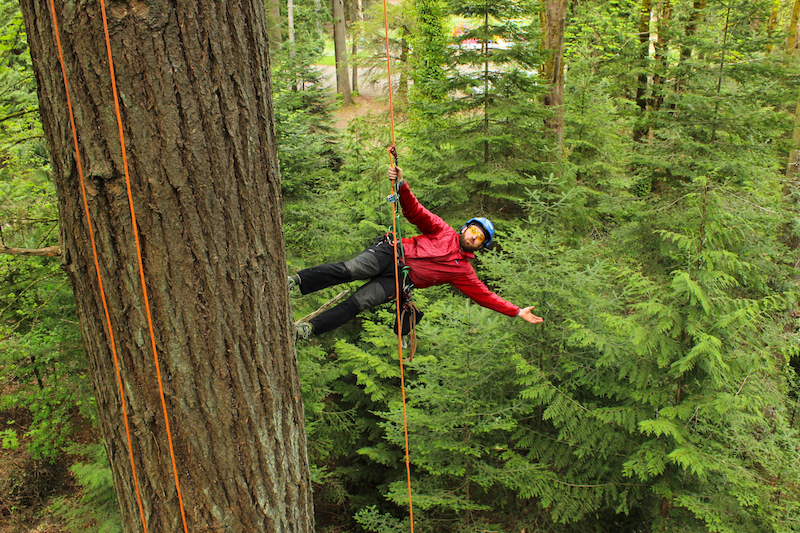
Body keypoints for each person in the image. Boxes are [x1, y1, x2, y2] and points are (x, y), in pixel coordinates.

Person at [291, 166, 543, 339]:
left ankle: (307, 330)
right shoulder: (443, 230)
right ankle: (296, 282)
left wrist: (517, 311)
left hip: (400, 281)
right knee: (349, 270)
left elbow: (485, 296)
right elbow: (416, 212)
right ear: (465, 228)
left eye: (479, 239)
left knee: (356, 304)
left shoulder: (463, 272)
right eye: (473, 232)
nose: (474, 238)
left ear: (480, 247)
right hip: (390, 253)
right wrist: (401, 184)